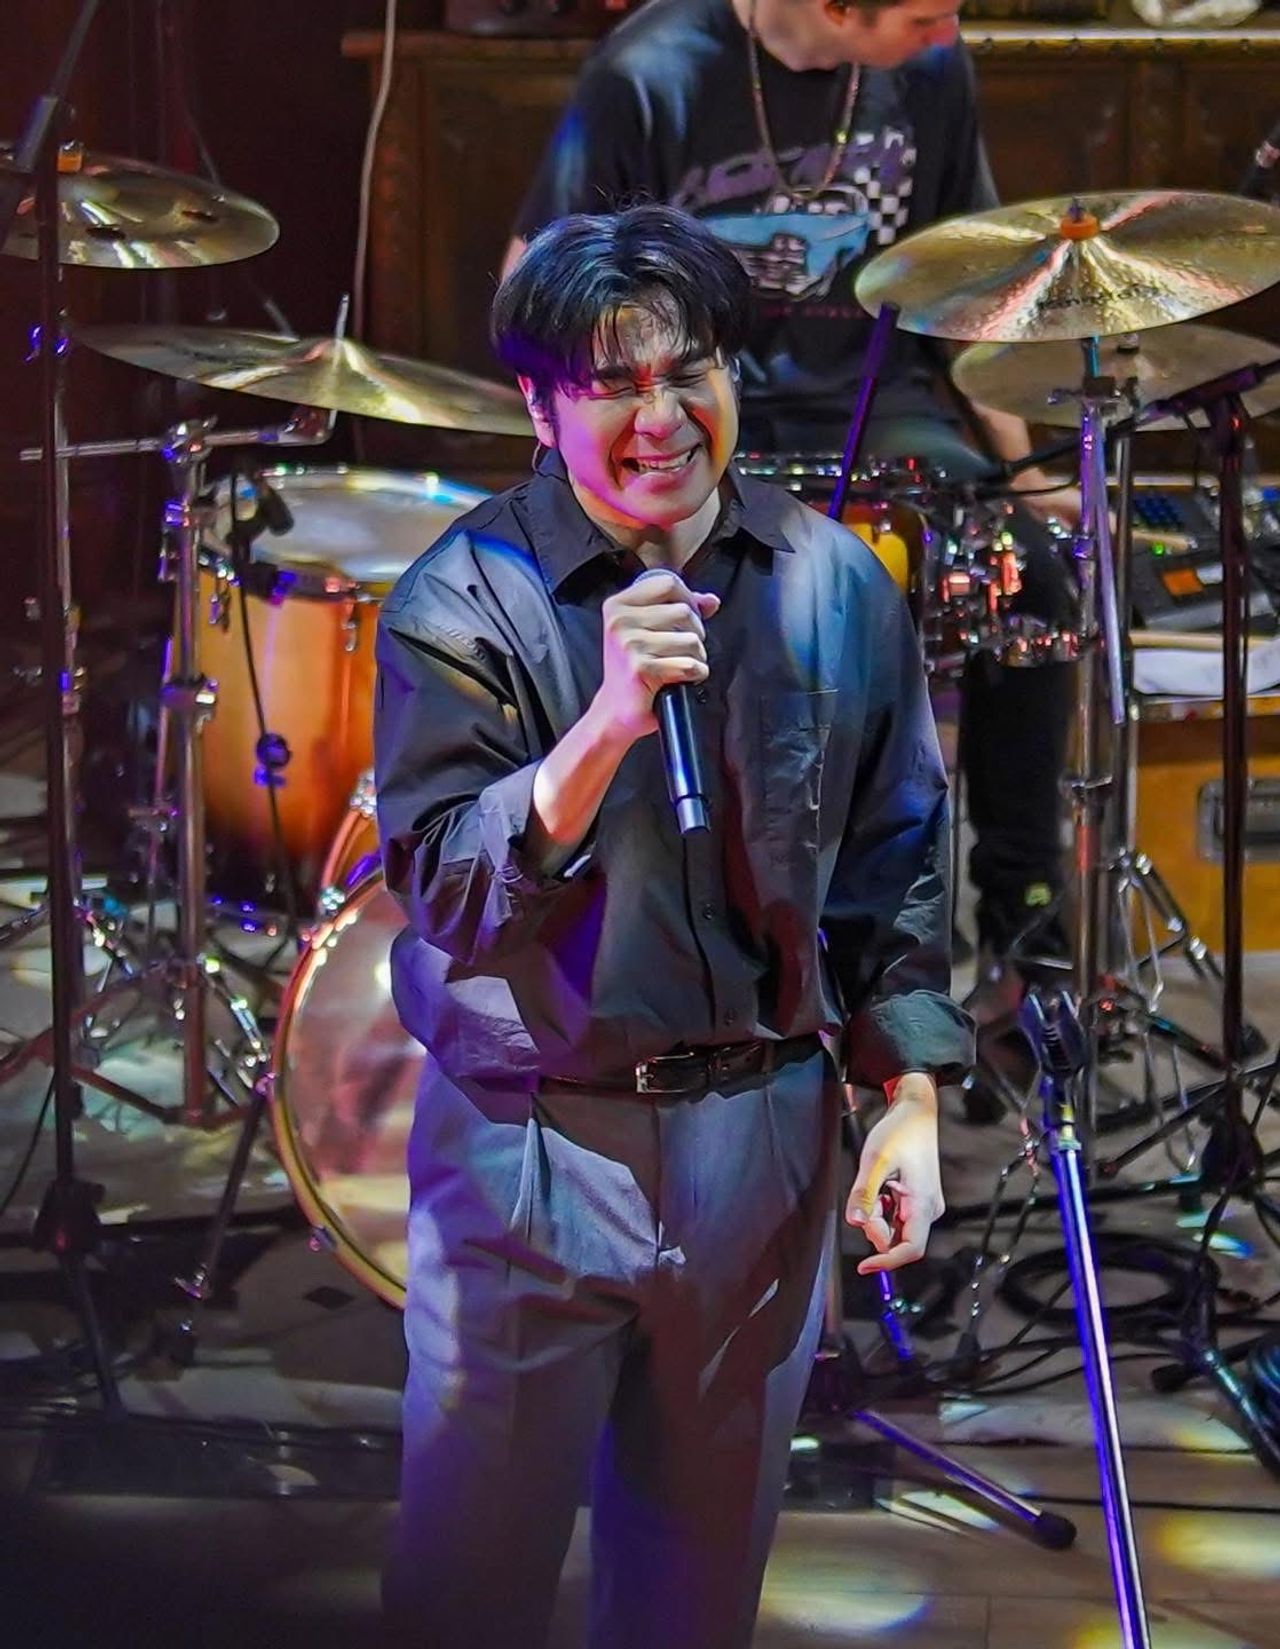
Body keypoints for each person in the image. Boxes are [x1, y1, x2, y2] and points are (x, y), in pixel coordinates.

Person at [374, 204, 973, 1648]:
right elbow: (445, 891)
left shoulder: (834, 583)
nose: (661, 417)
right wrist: (597, 732)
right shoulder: (460, 599)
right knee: (467, 1590)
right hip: (535, 1142)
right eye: (612, 385)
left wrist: (909, 1099)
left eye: (687, 370)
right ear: (539, 408)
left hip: (758, 1150)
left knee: (693, 1602)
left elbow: (893, 866)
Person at [506, 0, 1079, 984]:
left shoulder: (934, 73)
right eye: (922, 16)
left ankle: (1025, 942)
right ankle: (738, 938)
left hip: (881, 405)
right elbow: (536, 276)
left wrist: (1025, 480)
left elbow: (962, 291)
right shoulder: (649, 71)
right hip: (704, 414)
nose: (946, 32)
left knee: (1026, 580)